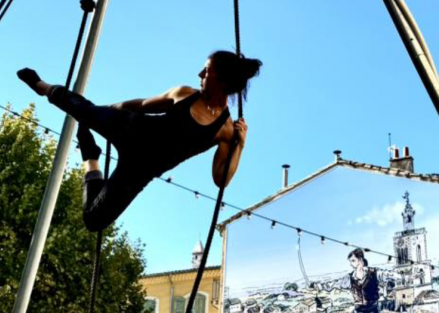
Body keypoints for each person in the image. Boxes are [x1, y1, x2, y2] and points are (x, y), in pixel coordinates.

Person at [17, 50, 262, 232]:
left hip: (140, 170)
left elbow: (221, 179)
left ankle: (91, 158)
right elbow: (142, 105)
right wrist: (107, 110)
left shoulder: (227, 131)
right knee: (83, 109)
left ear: (221, 80)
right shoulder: (184, 93)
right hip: (132, 128)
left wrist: (240, 145)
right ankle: (43, 87)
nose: (200, 73)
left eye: (206, 70)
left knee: (94, 221)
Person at [348, 248, 380, 313]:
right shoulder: (350, 277)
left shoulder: (373, 272)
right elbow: (334, 284)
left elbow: (389, 275)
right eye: (350, 261)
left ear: (360, 260)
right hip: (359, 311)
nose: (350, 264)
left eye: (353, 260)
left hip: (373, 309)